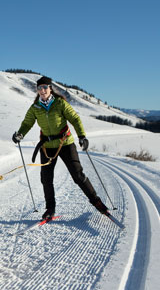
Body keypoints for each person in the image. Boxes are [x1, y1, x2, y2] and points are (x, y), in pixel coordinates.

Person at [12, 76, 109, 220]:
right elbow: (27, 123)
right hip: (47, 146)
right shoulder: (35, 107)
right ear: (37, 90)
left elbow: (75, 119)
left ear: (50, 88)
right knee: (46, 179)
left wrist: (82, 136)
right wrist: (20, 134)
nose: (43, 90)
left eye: (45, 87)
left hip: (65, 144)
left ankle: (97, 202)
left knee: (78, 175)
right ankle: (50, 209)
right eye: (40, 88)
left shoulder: (60, 103)